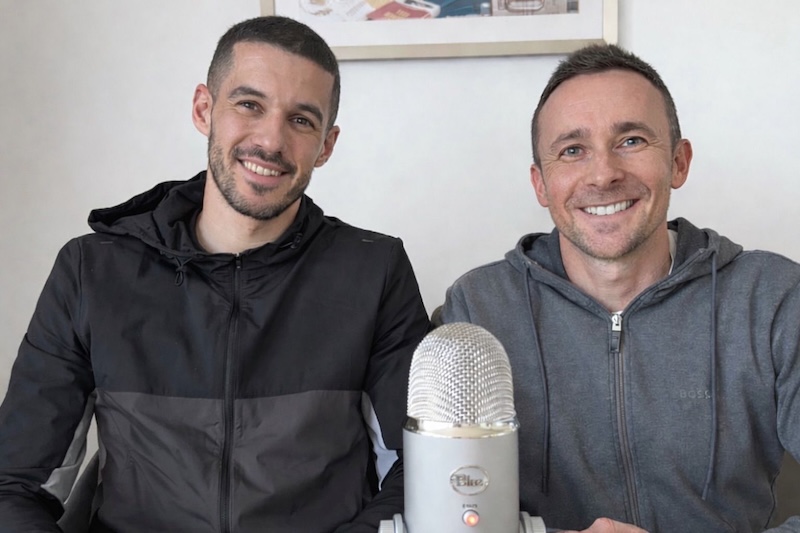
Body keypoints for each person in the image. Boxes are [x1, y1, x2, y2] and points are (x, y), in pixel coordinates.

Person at [0, 16, 429, 533]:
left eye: (300, 120)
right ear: (204, 109)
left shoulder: (374, 271)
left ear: (326, 145)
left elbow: (421, 471)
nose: (270, 141)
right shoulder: (91, 271)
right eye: (249, 105)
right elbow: (16, 484)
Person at [437, 44, 800, 532]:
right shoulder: (479, 309)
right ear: (541, 184)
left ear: (678, 162)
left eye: (630, 140)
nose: (604, 173)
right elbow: (450, 513)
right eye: (572, 150)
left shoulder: (773, 299)